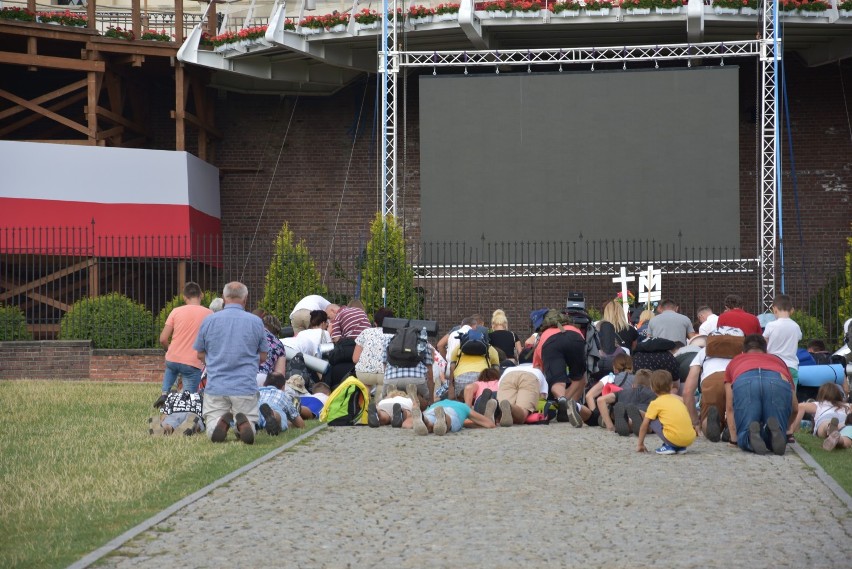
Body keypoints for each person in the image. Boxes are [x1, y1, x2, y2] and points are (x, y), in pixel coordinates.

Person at [193, 281, 267, 444]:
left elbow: (199, 354)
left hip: (216, 385)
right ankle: (244, 426)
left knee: (212, 418)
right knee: (249, 418)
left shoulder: (209, 321)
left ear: (224, 298)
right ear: (245, 299)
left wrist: (214, 359)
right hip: (244, 385)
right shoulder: (256, 322)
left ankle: (216, 427)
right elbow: (263, 356)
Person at [724, 334, 797, 455]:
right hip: (777, 380)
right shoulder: (778, 361)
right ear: (766, 350)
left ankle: (749, 438)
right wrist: (787, 429)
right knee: (777, 428)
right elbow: (795, 407)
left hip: (745, 380)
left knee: (744, 434)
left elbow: (730, 406)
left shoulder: (735, 361)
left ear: (743, 352)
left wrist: (734, 440)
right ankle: (773, 431)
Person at [681, 328, 744, 442]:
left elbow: (687, 391)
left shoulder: (704, 352)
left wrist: (695, 421)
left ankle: (710, 422)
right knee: (738, 409)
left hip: (711, 381)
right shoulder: (742, 353)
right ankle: (732, 427)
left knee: (706, 418)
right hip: (736, 379)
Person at [158, 282, 212, 395]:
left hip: (173, 358)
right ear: (201, 295)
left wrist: (169, 349)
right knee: (188, 398)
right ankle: (185, 401)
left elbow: (163, 338)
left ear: (184, 297)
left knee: (171, 370)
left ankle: (165, 393)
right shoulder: (209, 314)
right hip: (192, 362)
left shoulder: (175, 311)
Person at [636, 370, 696, 455]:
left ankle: (670, 445)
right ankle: (680, 447)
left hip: (674, 438)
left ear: (652, 387)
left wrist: (640, 444)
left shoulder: (655, 403)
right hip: (689, 439)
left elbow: (645, 425)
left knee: (651, 419)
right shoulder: (678, 400)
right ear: (671, 385)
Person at [353, 307, 394, 403]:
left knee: (365, 387)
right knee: (381, 387)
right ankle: (379, 408)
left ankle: (363, 409)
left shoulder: (366, 332)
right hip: (385, 373)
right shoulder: (394, 334)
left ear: (375, 322)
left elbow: (355, 359)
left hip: (364, 372)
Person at [447, 331, 500, 401]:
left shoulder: (459, 347)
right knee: (480, 402)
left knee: (462, 402)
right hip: (482, 377)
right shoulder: (489, 348)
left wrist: (451, 386)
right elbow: (495, 367)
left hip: (461, 377)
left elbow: (452, 367)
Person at [600, 369, 656, 435]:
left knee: (624, 415)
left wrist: (610, 426)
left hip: (626, 409)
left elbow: (601, 400)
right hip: (644, 415)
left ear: (634, 383)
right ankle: (639, 417)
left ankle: (627, 422)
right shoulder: (654, 394)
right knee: (650, 421)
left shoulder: (623, 391)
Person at [763, 294, 802, 386]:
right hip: (792, 366)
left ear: (774, 309)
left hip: (774, 365)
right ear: (792, 310)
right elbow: (798, 338)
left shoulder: (771, 325)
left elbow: (764, 342)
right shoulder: (796, 326)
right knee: (791, 397)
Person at [406, 398, 497, 435]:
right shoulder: (463, 406)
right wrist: (465, 423)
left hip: (431, 410)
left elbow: (405, 424)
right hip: (453, 413)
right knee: (450, 420)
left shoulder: (435, 404)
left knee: (429, 419)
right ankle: (444, 418)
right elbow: (489, 424)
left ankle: (425, 420)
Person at [256, 313, 287, 386]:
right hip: (264, 378)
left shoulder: (251, 333)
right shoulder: (278, 344)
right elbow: (279, 375)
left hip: (245, 374)